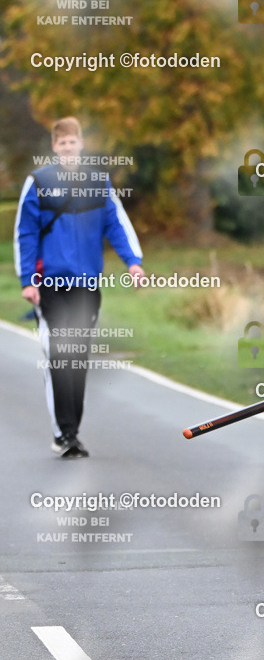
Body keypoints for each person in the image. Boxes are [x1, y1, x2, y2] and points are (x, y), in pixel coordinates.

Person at [14, 117, 144, 457]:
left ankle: (72, 430)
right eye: (62, 143)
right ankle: (65, 433)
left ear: (81, 144)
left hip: (87, 285)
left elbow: (115, 223)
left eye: (73, 142)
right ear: (54, 147)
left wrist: (133, 261)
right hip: (51, 285)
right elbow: (24, 233)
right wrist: (28, 280)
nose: (68, 148)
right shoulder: (39, 182)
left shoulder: (98, 182)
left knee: (78, 357)